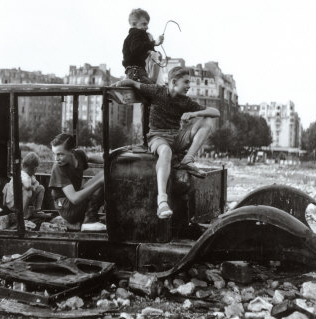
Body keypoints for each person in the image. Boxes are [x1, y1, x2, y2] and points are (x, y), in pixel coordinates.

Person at [112, 67, 220, 219]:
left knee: (207, 121)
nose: (189, 86)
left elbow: (216, 112)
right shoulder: (157, 91)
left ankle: (187, 159)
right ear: (174, 82)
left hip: (176, 137)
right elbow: (135, 84)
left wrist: (194, 113)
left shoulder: (185, 101)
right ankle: (162, 201)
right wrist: (122, 83)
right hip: (157, 137)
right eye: (186, 82)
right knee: (166, 151)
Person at [49, 133, 106, 232]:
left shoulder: (79, 155)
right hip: (66, 207)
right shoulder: (58, 168)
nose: (56, 159)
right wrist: (100, 182)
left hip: (76, 202)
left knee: (106, 174)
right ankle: (89, 221)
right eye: (55, 154)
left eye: (60, 154)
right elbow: (74, 198)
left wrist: (110, 160)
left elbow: (89, 158)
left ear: (72, 151)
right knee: (101, 180)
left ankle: (94, 216)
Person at [122, 8, 164, 84]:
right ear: (134, 24)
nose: (147, 27)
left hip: (134, 71)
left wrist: (150, 51)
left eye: (147, 24)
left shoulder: (131, 36)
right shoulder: (137, 33)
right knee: (151, 88)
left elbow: (137, 50)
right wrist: (154, 43)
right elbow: (136, 48)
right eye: (144, 24)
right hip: (136, 71)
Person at [3, 152, 45, 218]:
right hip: (13, 202)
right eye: (36, 168)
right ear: (34, 169)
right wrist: (33, 187)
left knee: (41, 188)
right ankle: (22, 214)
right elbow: (28, 187)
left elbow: (37, 183)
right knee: (28, 192)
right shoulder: (23, 175)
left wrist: (35, 186)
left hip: (20, 200)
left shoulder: (30, 175)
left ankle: (37, 210)